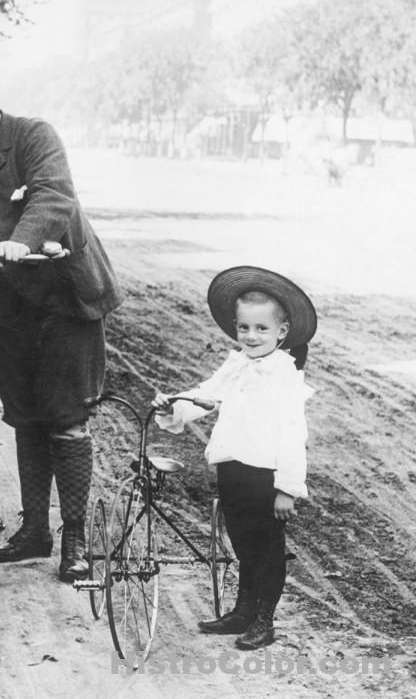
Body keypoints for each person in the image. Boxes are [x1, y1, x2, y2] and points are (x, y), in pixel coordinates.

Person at [0, 63, 124, 582]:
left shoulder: (35, 136)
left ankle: (76, 541)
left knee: (66, 418)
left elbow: (53, 196)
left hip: (64, 298)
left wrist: (25, 238)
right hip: (9, 302)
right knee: (24, 415)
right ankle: (35, 529)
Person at [152, 266, 316, 651]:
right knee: (241, 541)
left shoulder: (285, 375)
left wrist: (287, 489)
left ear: (282, 331)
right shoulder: (236, 364)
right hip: (232, 468)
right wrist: (173, 403)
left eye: (261, 329)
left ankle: (264, 619)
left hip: (266, 475)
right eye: (244, 328)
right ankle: (242, 610)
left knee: (267, 546)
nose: (251, 337)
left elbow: (294, 433)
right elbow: (207, 393)